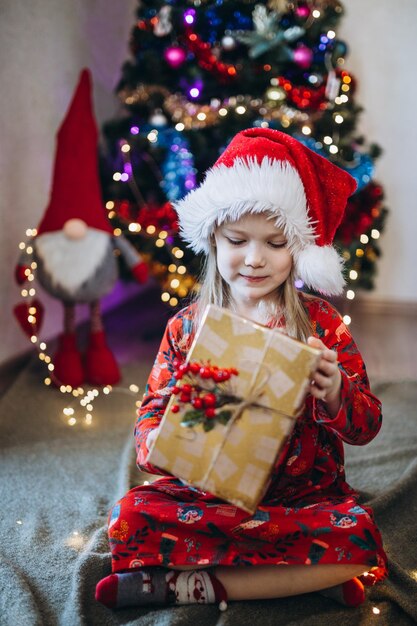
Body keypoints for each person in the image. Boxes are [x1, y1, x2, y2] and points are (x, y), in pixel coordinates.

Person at [95, 128, 387, 611]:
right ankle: (302, 579)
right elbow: (151, 413)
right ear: (212, 237)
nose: (254, 259)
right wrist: (161, 444)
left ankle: (185, 584)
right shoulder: (186, 327)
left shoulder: (322, 323)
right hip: (207, 499)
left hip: (301, 498)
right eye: (237, 240)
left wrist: (335, 392)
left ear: (297, 250)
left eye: (275, 243)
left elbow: (367, 424)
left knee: (360, 538)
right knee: (128, 515)